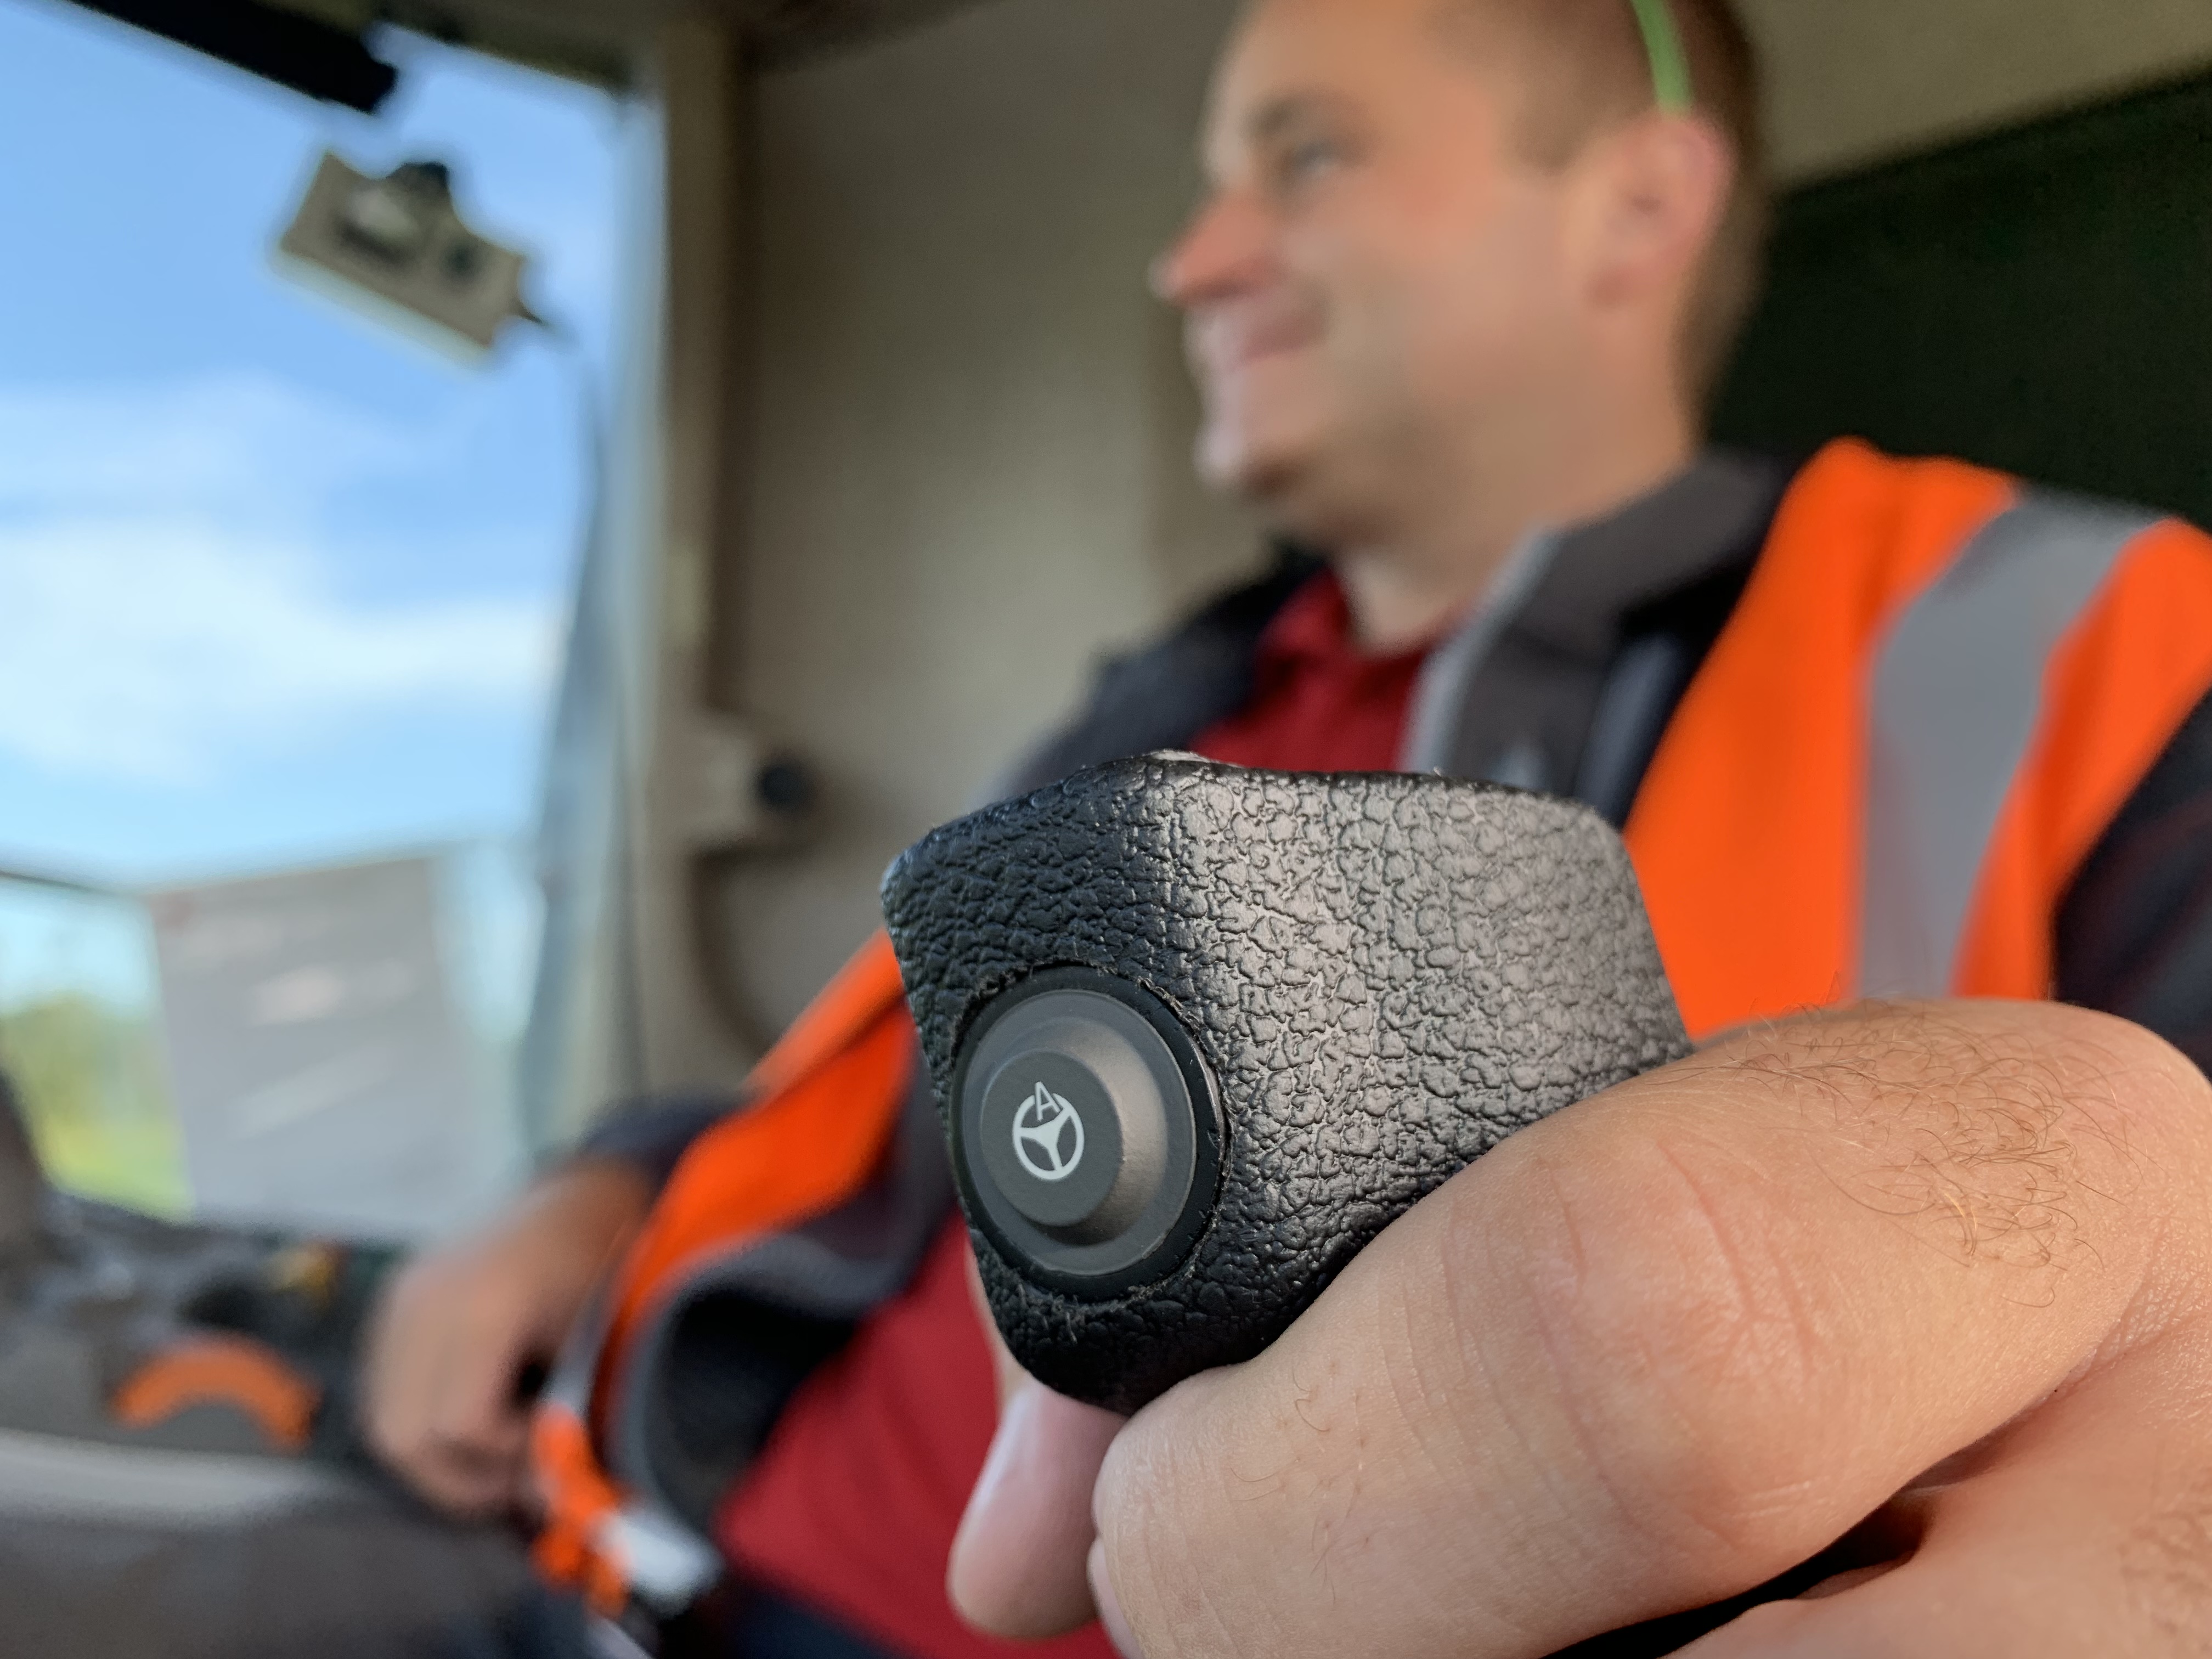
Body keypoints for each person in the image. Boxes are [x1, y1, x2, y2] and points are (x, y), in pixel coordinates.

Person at [365, 0, 2212, 1654]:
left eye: (1305, 155)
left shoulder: (2083, 645)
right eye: (1205, 184)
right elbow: (868, 1099)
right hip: (641, 1531)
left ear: (1638, 207)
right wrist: (593, 1183)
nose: (1193, 262)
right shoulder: (1169, 696)